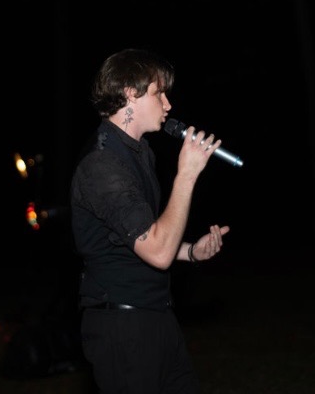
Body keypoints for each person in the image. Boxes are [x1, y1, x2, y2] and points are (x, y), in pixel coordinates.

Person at [70, 48, 230, 394]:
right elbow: (157, 251)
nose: (168, 104)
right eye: (160, 93)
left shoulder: (140, 152)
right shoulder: (102, 165)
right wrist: (186, 175)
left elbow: (143, 237)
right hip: (123, 328)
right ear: (131, 93)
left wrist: (191, 251)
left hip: (157, 317)